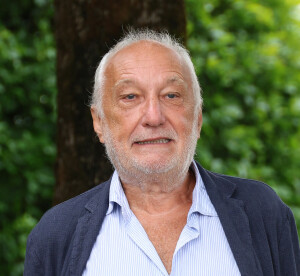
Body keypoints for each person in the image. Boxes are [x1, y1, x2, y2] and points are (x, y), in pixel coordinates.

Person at [24, 30, 300, 276]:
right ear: (99, 122)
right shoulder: (56, 235)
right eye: (130, 97)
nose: (153, 117)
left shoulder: (262, 212)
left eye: (171, 95)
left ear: (198, 117)